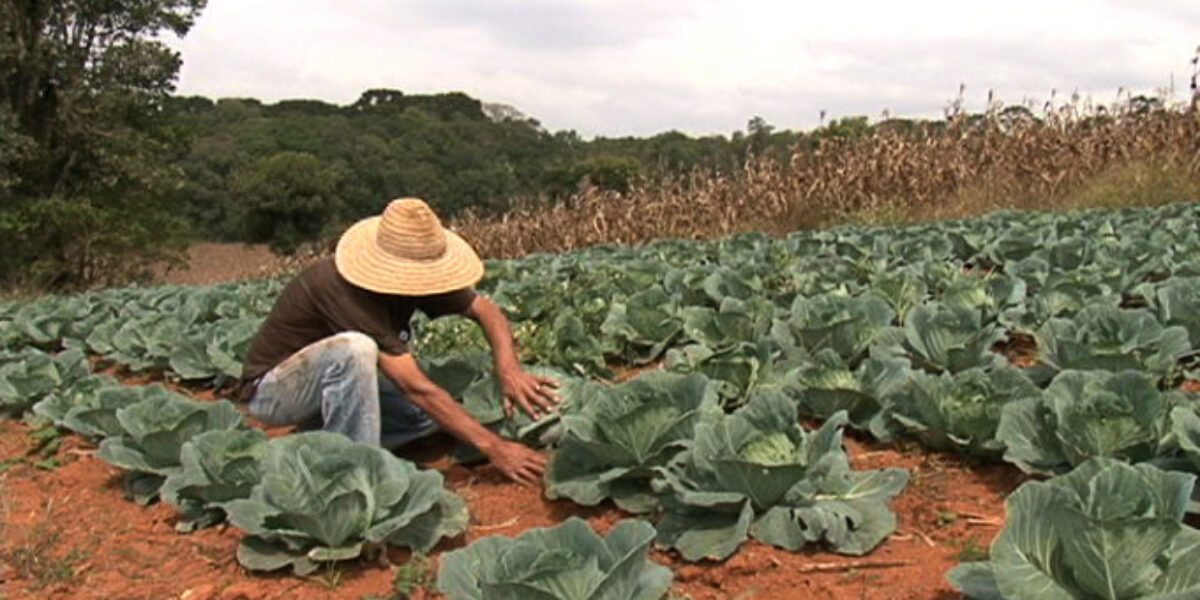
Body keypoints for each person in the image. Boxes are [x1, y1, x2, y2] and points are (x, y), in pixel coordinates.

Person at [238, 198, 559, 486]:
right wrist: (495, 447)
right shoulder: (339, 286)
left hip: (328, 384)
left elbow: (488, 311)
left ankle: (320, 440)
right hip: (274, 390)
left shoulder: (419, 277)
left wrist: (509, 369)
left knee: (433, 416)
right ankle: (352, 474)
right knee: (357, 349)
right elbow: (415, 387)